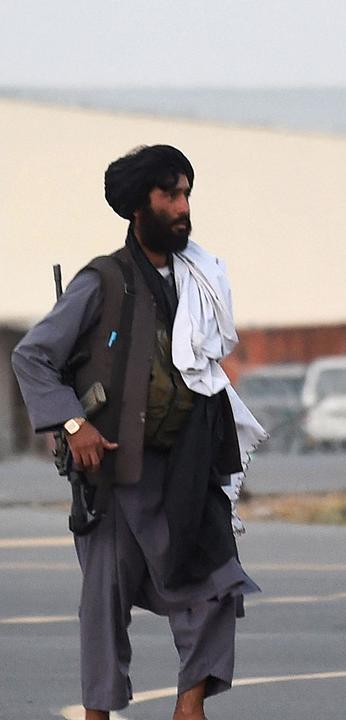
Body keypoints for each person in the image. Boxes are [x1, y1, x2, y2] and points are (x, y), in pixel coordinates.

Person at [12, 145, 262, 720]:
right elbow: (32, 357)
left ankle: (189, 706)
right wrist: (74, 424)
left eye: (187, 193)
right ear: (137, 207)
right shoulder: (103, 281)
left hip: (186, 470)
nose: (183, 206)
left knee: (217, 585)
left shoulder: (197, 280)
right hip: (115, 475)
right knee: (104, 606)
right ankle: (99, 713)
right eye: (170, 194)